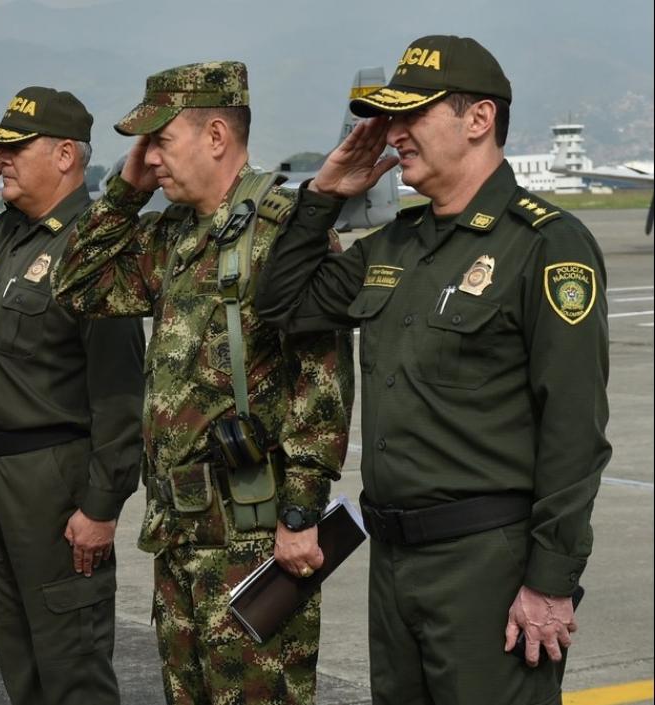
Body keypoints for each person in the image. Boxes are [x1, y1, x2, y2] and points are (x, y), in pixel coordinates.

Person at [254, 35, 610, 705]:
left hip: (487, 567)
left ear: (477, 119)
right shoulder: (395, 244)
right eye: (387, 117)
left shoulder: (544, 245)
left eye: (410, 114)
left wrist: (551, 580)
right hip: (393, 563)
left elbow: (574, 429)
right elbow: (282, 303)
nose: (391, 133)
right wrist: (324, 193)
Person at [52, 62, 354, 704]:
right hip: (179, 530)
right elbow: (75, 287)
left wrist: (300, 513)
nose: (149, 157)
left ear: (216, 135)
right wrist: (126, 193)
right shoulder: (174, 236)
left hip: (252, 533)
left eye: (160, 140)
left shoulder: (283, 233)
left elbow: (320, 385)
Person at [0, 86, 145, 705]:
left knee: (71, 659)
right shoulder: (4, 236)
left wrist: (101, 505)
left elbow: (118, 393)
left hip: (53, 478)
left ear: (66, 156)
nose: (3, 159)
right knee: (20, 655)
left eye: (17, 148)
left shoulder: (91, 247)